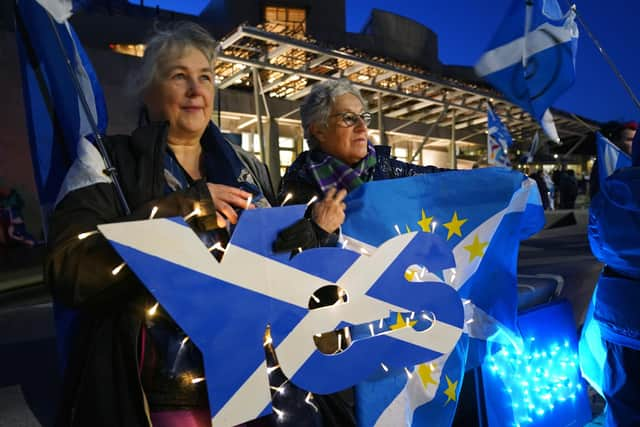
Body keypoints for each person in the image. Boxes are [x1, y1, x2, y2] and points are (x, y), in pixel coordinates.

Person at [47, 22, 276, 427]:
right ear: (146, 91)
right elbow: (69, 268)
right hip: (163, 396)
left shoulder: (249, 169)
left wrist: (314, 230)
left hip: (256, 381)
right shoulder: (104, 160)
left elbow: (285, 262)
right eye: (178, 76)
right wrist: (179, 209)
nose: (196, 90)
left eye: (205, 77)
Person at [274, 79, 443, 252]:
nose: (362, 128)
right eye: (348, 118)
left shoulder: (388, 171)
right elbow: (280, 261)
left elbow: (445, 182)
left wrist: (473, 180)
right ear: (319, 130)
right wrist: (318, 231)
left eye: (364, 117)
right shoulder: (297, 188)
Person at [589, 121, 637, 199]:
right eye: (630, 140)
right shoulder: (604, 165)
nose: (635, 143)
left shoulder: (635, 164)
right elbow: (596, 198)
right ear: (616, 142)